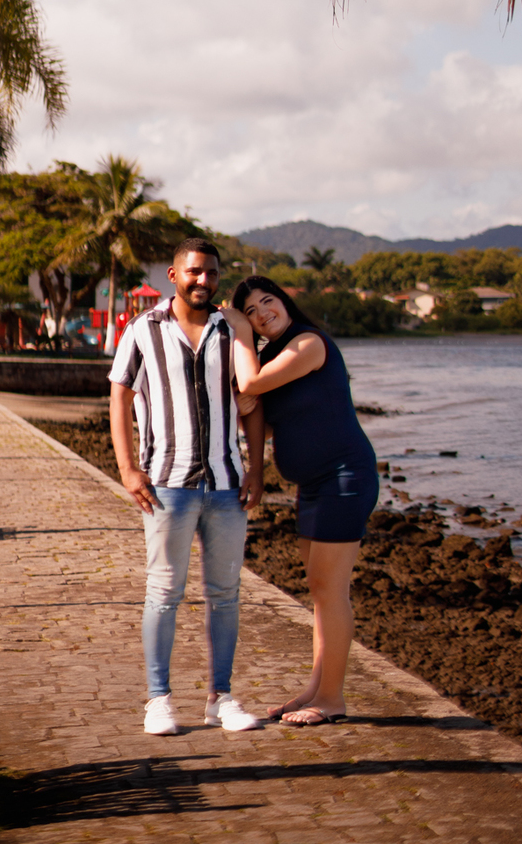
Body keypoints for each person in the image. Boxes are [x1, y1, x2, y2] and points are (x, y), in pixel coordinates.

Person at [109, 241, 265, 737]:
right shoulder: (142, 330)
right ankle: (158, 700)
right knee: (163, 592)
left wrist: (256, 468)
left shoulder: (232, 331)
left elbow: (252, 401)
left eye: (212, 273)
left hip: (226, 485)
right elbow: (119, 397)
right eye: (194, 272)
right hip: (166, 486)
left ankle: (221, 698)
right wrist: (127, 469)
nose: (203, 280)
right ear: (174, 274)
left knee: (225, 595)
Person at [224, 276, 378, 726]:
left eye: (266, 301)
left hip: (344, 478)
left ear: (286, 303)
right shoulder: (275, 357)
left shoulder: (309, 344)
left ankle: (332, 699)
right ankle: (315, 688)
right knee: (320, 593)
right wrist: (249, 403)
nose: (261, 312)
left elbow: (250, 381)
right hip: (312, 486)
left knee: (332, 592)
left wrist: (238, 328)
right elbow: (266, 417)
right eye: (250, 309)